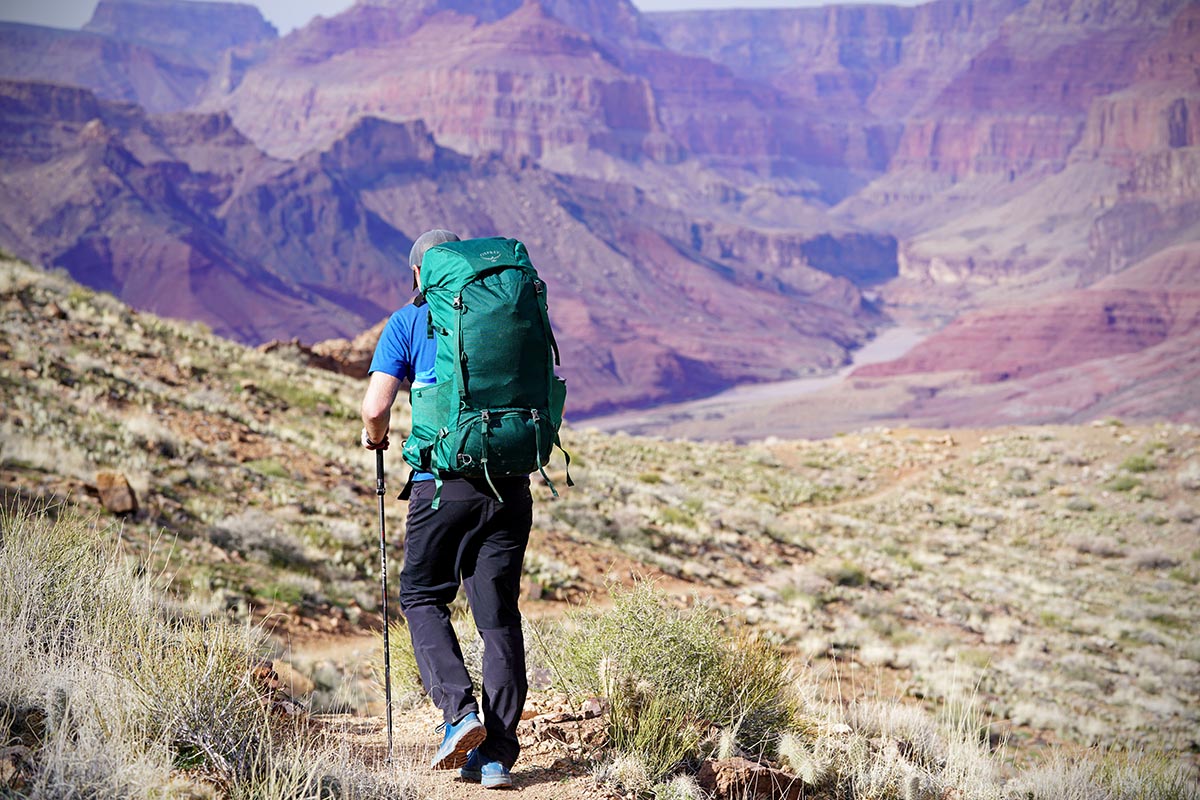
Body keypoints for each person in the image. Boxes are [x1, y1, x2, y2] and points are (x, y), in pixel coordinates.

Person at [360, 229, 532, 790]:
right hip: (510, 482)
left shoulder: (408, 321)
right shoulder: (502, 311)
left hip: (444, 484)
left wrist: (375, 437)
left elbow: (376, 406)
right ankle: (497, 757)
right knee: (498, 616)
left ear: (419, 274)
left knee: (421, 594)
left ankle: (458, 714)